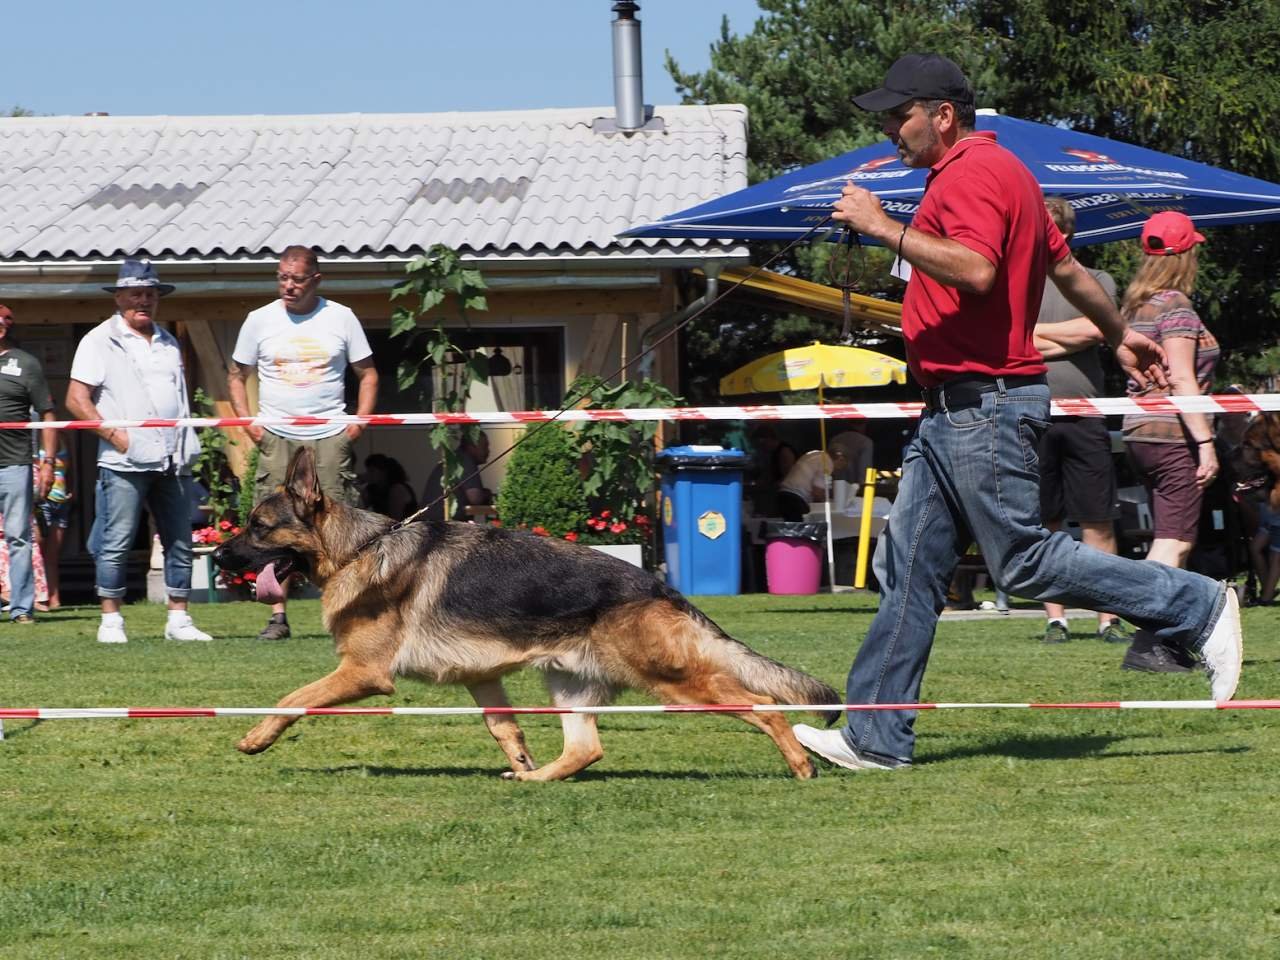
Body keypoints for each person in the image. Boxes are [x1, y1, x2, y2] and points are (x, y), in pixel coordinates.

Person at [790, 53, 1242, 773]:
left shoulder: (969, 175)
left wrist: (881, 226)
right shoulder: (1010, 178)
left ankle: (1195, 605)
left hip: (985, 403)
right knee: (909, 571)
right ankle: (876, 738)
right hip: (952, 410)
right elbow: (1064, 269)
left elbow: (976, 272)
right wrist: (1121, 334)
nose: (887, 130)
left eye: (897, 115)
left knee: (1025, 563)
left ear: (942, 115)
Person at [228, 245, 378, 641]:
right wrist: (250, 424)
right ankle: (277, 617)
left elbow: (368, 374)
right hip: (276, 435)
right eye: (282, 277)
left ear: (316, 280)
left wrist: (356, 424)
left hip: (330, 433)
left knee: (344, 526)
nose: (288, 286)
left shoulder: (340, 317)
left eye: (296, 279)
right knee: (269, 528)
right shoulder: (258, 320)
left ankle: (352, 612)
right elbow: (235, 375)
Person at [65, 260, 212, 644]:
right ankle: (111, 620)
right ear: (119, 298)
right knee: (116, 540)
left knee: (180, 539)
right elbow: (77, 400)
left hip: (173, 455)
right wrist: (116, 436)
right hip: (123, 460)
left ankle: (178, 618)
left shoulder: (168, 340)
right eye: (135, 294)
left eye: (150, 294)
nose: (143, 301)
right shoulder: (98, 340)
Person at [1119, 212, 1221, 672]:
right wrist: (1206, 442)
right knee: (1174, 540)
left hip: (1140, 432)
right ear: (1186, 255)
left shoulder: (1138, 305)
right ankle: (1149, 644)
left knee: (1170, 535)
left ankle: (1163, 641)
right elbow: (1182, 379)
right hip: (1172, 435)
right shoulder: (1176, 307)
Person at [1030, 197, 1130, 646]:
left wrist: (1036, 339)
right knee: (1046, 522)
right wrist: (1063, 336)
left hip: (1086, 415)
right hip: (1030, 413)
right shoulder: (1017, 282)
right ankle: (1056, 619)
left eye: (1051, 229)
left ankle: (1107, 618)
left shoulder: (1098, 279)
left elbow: (1096, 330)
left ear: (1066, 234)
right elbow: (1010, 337)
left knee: (1098, 522)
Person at [0, 304, 57, 623]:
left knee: (18, 535)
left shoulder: (26, 364)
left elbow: (48, 415)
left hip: (14, 464)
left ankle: (22, 607)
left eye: (5, 321)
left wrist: (48, 463)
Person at [775, 431, 870, 522]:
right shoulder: (827, 462)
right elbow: (817, 492)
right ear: (841, 459)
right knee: (800, 532)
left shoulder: (816, 455)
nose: (841, 469)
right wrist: (829, 504)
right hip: (795, 499)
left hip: (784, 495)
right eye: (845, 464)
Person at [421, 430, 493, 521]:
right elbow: (475, 498)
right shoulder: (466, 461)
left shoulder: (453, 458)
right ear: (472, 446)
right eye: (485, 446)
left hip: (430, 523)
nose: (488, 451)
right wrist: (487, 495)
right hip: (444, 525)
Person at [34, 444, 71, 609]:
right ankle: (37, 596)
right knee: (37, 549)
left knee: (53, 555)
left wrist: (72, 490)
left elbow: (70, 471)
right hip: (43, 501)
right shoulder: (34, 441)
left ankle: (54, 598)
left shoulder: (64, 440)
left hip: (61, 501)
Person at [363, 453, 418, 521]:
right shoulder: (372, 489)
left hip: (407, 529)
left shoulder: (397, 489)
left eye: (372, 471)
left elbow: (394, 520)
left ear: (383, 472)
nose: (368, 474)